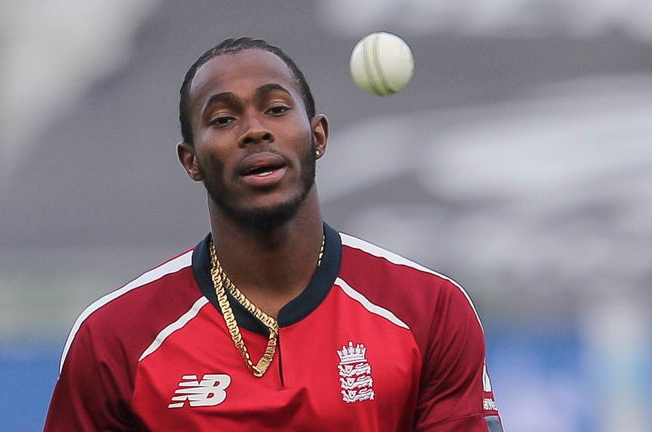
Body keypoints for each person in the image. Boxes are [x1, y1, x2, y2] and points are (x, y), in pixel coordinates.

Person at [44, 37, 503, 431]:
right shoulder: (113, 338)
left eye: (277, 109)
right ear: (191, 161)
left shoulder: (428, 309)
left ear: (317, 136)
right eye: (223, 119)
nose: (255, 131)